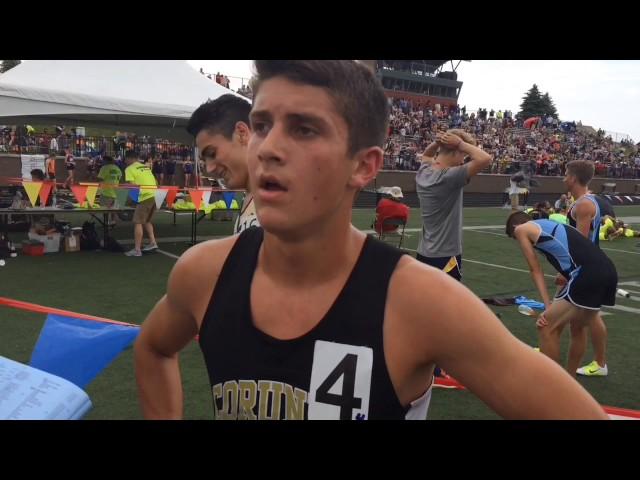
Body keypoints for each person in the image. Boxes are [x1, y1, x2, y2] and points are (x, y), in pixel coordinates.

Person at [135, 60, 607, 420]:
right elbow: (153, 348)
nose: (269, 148)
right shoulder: (203, 272)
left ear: (363, 165)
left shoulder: (419, 302)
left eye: (304, 128)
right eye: (261, 125)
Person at [505, 212, 617, 379]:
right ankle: (569, 381)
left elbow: (535, 269)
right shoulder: (549, 225)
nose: (518, 240)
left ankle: (551, 384)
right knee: (577, 327)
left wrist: (547, 306)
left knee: (546, 326)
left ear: (516, 227)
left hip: (587, 274)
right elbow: (574, 252)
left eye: (515, 238)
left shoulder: (522, 229)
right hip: (608, 271)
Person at [416, 129, 492, 282]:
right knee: (445, 305)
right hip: (445, 256)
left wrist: (438, 142)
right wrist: (460, 143)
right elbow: (485, 159)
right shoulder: (449, 177)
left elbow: (427, 155)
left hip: (424, 253)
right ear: (457, 152)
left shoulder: (423, 172)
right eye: (463, 156)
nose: (463, 161)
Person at [564, 160, 615, 377]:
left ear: (574, 178)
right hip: (589, 267)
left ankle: (580, 369)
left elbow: (580, 243)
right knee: (591, 316)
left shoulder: (583, 204)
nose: (563, 178)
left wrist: (566, 271)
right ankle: (600, 363)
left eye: (566, 174)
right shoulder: (587, 200)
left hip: (585, 269)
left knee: (577, 324)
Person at [186, 94, 258, 234]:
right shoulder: (251, 197)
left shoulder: (291, 200)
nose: (209, 168)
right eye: (205, 160)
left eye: (212, 154)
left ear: (242, 133)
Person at [123, 151, 158, 257]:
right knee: (147, 220)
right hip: (155, 195)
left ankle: (137, 250)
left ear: (129, 159)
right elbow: (154, 181)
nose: (125, 161)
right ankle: (152, 242)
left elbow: (132, 187)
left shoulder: (129, 169)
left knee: (137, 222)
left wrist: (130, 200)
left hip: (144, 197)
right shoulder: (146, 167)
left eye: (125, 159)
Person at [97, 155, 122, 225]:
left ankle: (106, 221)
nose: (102, 162)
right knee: (113, 208)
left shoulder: (104, 168)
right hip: (116, 191)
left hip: (106, 192)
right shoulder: (117, 169)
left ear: (106, 161)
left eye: (103, 161)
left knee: (105, 209)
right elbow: (119, 178)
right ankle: (113, 221)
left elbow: (100, 178)